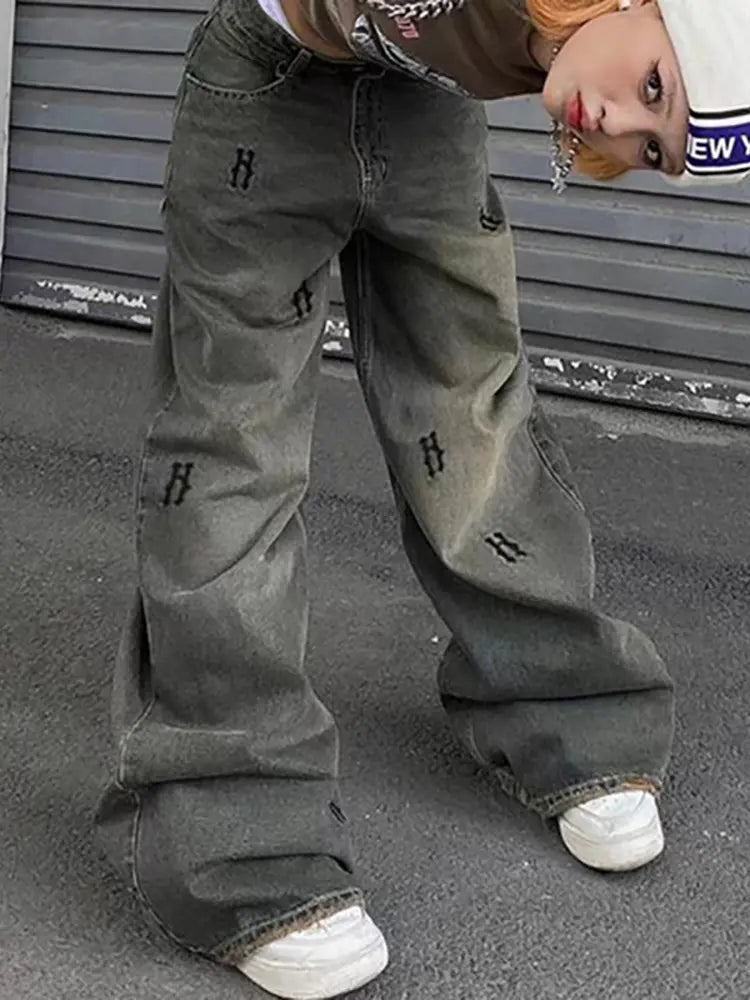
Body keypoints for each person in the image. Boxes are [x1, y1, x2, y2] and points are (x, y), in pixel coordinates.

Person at [95, 0, 750, 996]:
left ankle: (569, 715)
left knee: (472, 409)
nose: (618, 123)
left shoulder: (581, 61)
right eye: (654, 86)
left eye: (652, 147)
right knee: (229, 446)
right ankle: (237, 838)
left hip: (425, 111)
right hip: (270, 85)